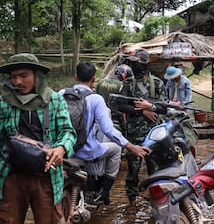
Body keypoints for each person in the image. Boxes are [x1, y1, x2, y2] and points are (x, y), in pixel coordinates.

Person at [0, 53, 77, 223]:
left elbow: (68, 132)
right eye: (13, 77)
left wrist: (61, 148)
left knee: (50, 219)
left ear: (36, 76)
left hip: (46, 175)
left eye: (23, 76)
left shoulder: (54, 100)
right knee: (7, 219)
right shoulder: (3, 103)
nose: (18, 82)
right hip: (12, 176)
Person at [59, 62, 149, 206]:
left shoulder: (61, 94)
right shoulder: (96, 99)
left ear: (75, 77)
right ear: (94, 79)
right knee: (116, 149)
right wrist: (131, 146)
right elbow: (108, 130)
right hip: (86, 151)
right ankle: (104, 192)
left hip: (61, 150)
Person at [113, 48, 167, 205]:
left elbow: (164, 108)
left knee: (155, 170)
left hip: (153, 135)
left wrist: (150, 106)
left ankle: (156, 201)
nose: (133, 66)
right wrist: (141, 112)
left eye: (136, 63)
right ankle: (132, 203)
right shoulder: (128, 83)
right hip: (134, 135)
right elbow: (120, 105)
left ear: (144, 64)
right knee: (133, 172)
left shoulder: (157, 83)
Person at [96, 64, 133, 131]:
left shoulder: (101, 82)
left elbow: (96, 97)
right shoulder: (122, 85)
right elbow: (123, 104)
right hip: (115, 118)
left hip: (99, 116)